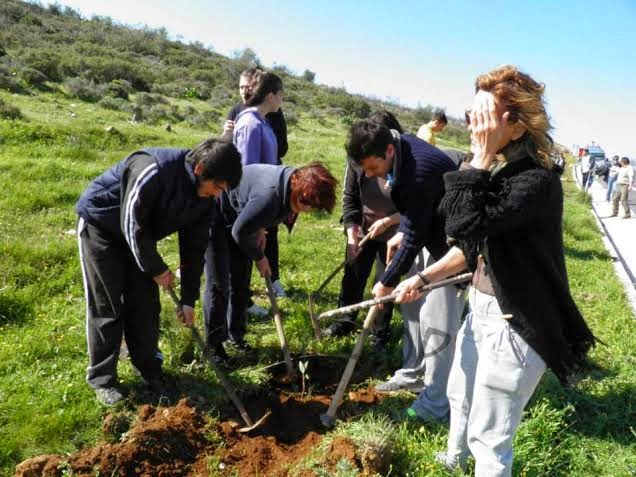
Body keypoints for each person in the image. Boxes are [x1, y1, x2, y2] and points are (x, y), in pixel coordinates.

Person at [394, 65, 597, 477]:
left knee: (490, 437)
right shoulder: (501, 172)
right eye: (473, 115)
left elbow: (462, 223)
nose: (474, 126)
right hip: (483, 308)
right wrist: (421, 277)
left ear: (516, 127)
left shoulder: (536, 182)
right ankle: (453, 461)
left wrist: (480, 158)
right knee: (460, 393)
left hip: (516, 322)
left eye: (483, 118)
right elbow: (469, 245)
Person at [76, 139, 242, 405]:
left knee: (145, 305)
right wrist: (156, 268)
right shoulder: (151, 169)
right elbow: (131, 223)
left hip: (141, 238)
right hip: (102, 228)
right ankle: (102, 379)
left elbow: (194, 249)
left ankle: (149, 369)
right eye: (218, 187)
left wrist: (188, 300)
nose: (219, 194)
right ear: (200, 169)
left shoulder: (205, 201)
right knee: (107, 306)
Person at [345, 118, 464, 414]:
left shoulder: (418, 170)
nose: (372, 176)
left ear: (388, 150)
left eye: (373, 168)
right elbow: (414, 217)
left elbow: (415, 231)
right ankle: (412, 373)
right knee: (412, 308)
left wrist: (385, 279)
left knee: (438, 321)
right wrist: (403, 231)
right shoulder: (399, 150)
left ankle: (435, 401)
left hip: (452, 248)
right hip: (428, 232)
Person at [204, 162, 337, 361]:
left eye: (314, 206)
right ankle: (214, 347)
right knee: (219, 282)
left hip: (241, 217)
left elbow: (251, 212)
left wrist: (259, 227)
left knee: (240, 281)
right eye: (304, 202)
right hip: (216, 216)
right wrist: (260, 257)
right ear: (296, 184)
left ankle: (236, 337)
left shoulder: (290, 190)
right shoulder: (269, 196)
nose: (307, 208)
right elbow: (239, 232)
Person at [322, 111, 403, 346]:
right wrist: (352, 233)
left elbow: (413, 209)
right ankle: (343, 322)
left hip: (394, 233)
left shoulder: (403, 163)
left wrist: (390, 221)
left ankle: (378, 333)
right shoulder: (358, 161)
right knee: (353, 275)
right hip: (364, 229)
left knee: (386, 280)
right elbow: (350, 198)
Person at [223, 68, 289, 300]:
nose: (282, 99)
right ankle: (240, 308)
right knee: (241, 262)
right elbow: (248, 171)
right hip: (248, 202)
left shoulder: (263, 121)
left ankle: (243, 305)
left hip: (259, 201)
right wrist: (254, 219)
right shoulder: (251, 124)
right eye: (281, 94)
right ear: (270, 95)